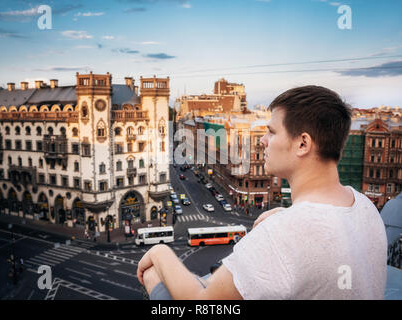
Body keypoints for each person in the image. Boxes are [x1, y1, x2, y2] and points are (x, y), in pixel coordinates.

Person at [137, 85, 388, 300]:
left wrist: (159, 252)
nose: (263, 140)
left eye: (272, 132)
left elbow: (201, 301)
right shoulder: (366, 206)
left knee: (154, 276)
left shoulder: (284, 232)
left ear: (303, 144)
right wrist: (285, 214)